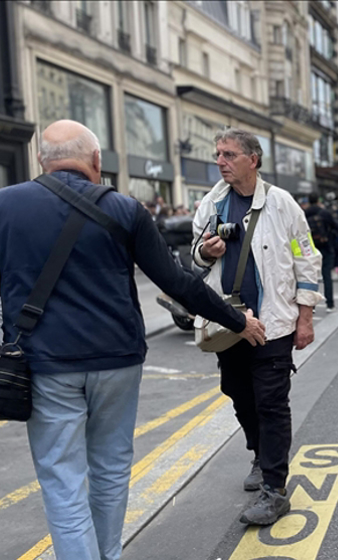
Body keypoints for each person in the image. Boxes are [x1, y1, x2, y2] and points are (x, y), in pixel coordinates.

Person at [0, 120, 265, 560]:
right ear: (97, 162)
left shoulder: (6, 205)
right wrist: (237, 321)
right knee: (109, 472)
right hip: (117, 360)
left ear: (39, 161)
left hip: (44, 365)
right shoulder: (125, 208)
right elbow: (178, 282)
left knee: (62, 481)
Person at [192, 128, 322, 526]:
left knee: (270, 402)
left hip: (273, 324)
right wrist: (204, 251)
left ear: (253, 159)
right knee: (238, 394)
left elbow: (306, 259)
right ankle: (259, 454)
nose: (221, 161)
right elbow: (195, 259)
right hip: (229, 323)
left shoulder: (283, 204)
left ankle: (274, 487)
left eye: (229, 154)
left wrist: (305, 317)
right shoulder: (211, 203)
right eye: (218, 154)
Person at [305, 192, 338, 310]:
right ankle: (329, 303)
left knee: (311, 276)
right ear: (318, 200)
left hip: (310, 248)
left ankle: (312, 305)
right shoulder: (325, 213)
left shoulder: (304, 213)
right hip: (326, 246)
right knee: (327, 276)